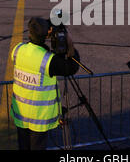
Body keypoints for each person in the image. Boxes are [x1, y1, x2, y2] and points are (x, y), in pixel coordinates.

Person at [10, 17, 80, 150]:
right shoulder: (48, 60)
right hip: (38, 118)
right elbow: (71, 67)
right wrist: (70, 43)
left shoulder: (17, 50)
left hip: (21, 114)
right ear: (48, 34)